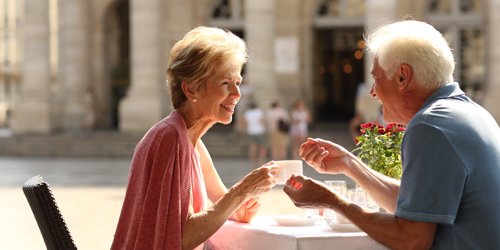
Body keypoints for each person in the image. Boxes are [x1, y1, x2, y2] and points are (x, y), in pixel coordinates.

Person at [283, 20, 500, 249]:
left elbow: (411, 239)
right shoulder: (468, 112)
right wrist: (350, 164)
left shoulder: (430, 125)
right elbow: (415, 207)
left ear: (402, 77)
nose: (372, 92)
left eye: (376, 79)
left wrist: (332, 201)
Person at [111, 26, 278, 250]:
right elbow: (179, 238)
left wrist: (240, 206)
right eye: (225, 83)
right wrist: (242, 192)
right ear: (191, 90)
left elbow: (223, 202)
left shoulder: (192, 141)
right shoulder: (169, 138)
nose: (237, 94)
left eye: (237, 83)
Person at [244, 101, 268, 167]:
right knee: (262, 147)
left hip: (251, 131)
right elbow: (263, 121)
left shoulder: (248, 113)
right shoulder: (259, 112)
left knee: (252, 147)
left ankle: (253, 163)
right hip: (260, 131)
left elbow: (245, 122)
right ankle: (261, 162)